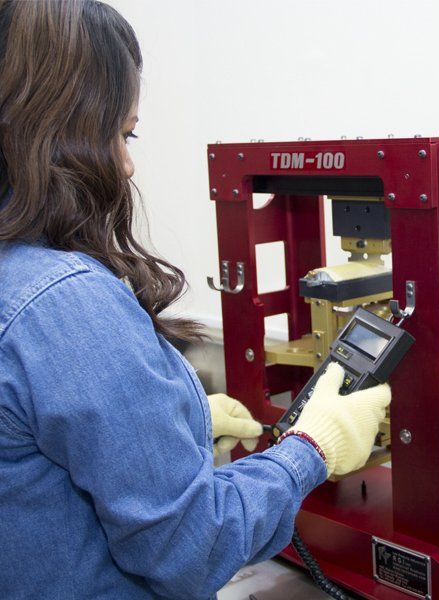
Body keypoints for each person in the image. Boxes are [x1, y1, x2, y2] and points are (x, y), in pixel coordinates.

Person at [0, 1, 390, 598]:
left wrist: (172, 429)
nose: (127, 162)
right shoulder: (64, 302)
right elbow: (192, 549)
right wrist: (313, 447)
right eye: (121, 132)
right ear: (56, 131)